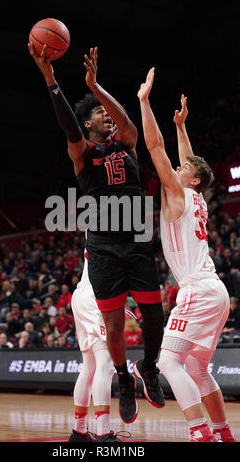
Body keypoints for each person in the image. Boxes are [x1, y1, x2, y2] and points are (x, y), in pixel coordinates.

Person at [28, 43, 165, 424]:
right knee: (115, 326)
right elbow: (69, 126)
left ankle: (149, 368)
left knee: (155, 318)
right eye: (99, 114)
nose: (107, 116)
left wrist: (96, 85)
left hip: (137, 240)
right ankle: (123, 378)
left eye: (107, 113)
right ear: (88, 125)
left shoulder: (126, 144)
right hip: (103, 247)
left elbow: (129, 125)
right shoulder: (83, 153)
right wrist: (51, 80)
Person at [137, 71, 235, 442]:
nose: (178, 168)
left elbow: (154, 147)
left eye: (184, 170)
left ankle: (199, 432)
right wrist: (181, 125)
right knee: (197, 367)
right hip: (215, 291)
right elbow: (187, 159)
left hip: (197, 289)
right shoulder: (195, 196)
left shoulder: (177, 193)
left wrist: (145, 101)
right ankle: (223, 433)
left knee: (168, 362)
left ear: (191, 180)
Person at [68, 251, 119, 443]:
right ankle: (104, 433)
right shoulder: (119, 225)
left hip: (82, 293)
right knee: (105, 364)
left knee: (89, 366)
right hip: (96, 294)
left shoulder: (98, 224)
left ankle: (79, 432)